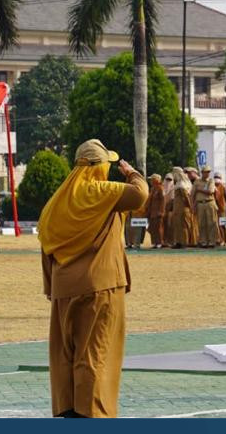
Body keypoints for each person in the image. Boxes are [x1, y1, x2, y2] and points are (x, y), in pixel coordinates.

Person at [39, 139, 147, 418]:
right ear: (100, 167)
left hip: (64, 289)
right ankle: (93, 414)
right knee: (96, 352)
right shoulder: (103, 191)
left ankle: (67, 409)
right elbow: (140, 195)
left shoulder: (57, 201)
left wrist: (51, 286)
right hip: (101, 285)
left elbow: (47, 244)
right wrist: (132, 173)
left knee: (66, 353)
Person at [193, 166, 220, 248]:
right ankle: (203, 241)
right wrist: (192, 205)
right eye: (205, 172)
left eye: (208, 172)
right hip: (200, 203)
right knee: (201, 223)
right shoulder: (197, 181)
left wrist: (199, 190)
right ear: (202, 173)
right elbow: (193, 193)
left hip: (209, 203)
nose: (207, 173)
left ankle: (212, 241)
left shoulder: (211, 181)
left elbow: (210, 191)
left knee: (211, 223)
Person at [168, 167, 194, 248]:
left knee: (183, 226)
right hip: (177, 209)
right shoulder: (178, 183)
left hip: (183, 208)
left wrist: (190, 206)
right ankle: (178, 242)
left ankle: (184, 242)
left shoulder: (182, 184)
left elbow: (186, 197)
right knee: (177, 225)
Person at [145, 174, 165, 248]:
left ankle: (160, 242)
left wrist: (161, 211)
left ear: (156, 180)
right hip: (152, 212)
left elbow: (163, 201)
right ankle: (155, 242)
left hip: (158, 212)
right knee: (153, 228)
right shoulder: (153, 189)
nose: (150, 181)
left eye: (152, 179)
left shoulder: (161, 188)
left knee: (158, 228)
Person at [213, 174, 226, 247]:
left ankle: (224, 240)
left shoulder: (223, 187)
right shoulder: (212, 186)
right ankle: (218, 240)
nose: (216, 179)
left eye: (218, 177)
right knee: (215, 225)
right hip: (214, 208)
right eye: (215, 177)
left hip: (222, 208)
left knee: (222, 225)